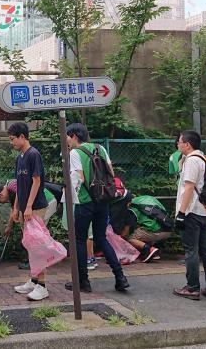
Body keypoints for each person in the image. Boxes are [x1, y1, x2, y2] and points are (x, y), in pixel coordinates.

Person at [62, 123, 129, 294]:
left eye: (68, 137)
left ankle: (83, 281)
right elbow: (111, 174)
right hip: (103, 200)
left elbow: (80, 177)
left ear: (75, 136)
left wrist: (69, 195)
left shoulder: (75, 153)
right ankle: (120, 277)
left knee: (79, 239)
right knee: (101, 238)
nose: (67, 141)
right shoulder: (101, 149)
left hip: (85, 202)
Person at [6, 122, 54, 300]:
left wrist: (28, 207)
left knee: (37, 247)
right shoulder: (19, 158)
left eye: (13, 139)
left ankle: (42, 286)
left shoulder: (34, 155)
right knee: (30, 245)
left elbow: (37, 181)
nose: (12, 143)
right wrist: (16, 207)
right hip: (26, 209)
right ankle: (34, 281)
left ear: (22, 137)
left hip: (36, 208)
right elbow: (19, 185)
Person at [173, 130, 206, 301]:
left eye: (180, 141)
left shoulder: (192, 161)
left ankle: (192, 288)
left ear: (187, 144)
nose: (178, 144)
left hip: (191, 212)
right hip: (205, 211)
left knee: (191, 251)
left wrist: (181, 213)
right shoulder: (205, 159)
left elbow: (189, 188)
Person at [110, 194, 169, 263]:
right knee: (142, 231)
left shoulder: (132, 208)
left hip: (155, 231)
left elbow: (125, 233)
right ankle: (155, 252)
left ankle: (150, 249)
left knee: (129, 238)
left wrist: (119, 239)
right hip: (168, 229)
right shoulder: (146, 199)